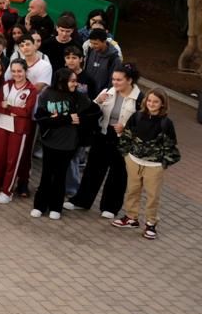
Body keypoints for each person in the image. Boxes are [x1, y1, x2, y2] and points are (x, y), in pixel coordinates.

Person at [70, 64, 141, 218]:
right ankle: (81, 201)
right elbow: (91, 112)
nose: (115, 83)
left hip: (124, 139)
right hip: (103, 134)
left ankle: (110, 207)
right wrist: (97, 101)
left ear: (129, 80)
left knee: (118, 173)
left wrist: (126, 129)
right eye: (113, 79)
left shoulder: (139, 99)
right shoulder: (108, 92)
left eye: (119, 80)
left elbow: (142, 124)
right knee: (93, 169)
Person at [112, 90, 179, 240]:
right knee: (132, 191)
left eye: (156, 102)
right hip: (133, 161)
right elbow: (127, 135)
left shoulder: (166, 123)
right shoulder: (137, 116)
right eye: (149, 101)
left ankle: (151, 223)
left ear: (162, 104)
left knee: (152, 195)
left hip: (154, 166)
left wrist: (163, 164)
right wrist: (126, 155)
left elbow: (170, 146)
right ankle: (131, 218)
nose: (152, 104)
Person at [30, 67, 92, 220]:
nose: (75, 84)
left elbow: (92, 113)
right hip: (49, 141)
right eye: (72, 81)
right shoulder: (47, 94)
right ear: (61, 81)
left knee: (60, 175)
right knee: (46, 174)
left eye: (75, 81)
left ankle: (56, 206)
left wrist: (78, 120)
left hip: (68, 144)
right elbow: (42, 118)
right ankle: (39, 205)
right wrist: (66, 119)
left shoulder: (79, 97)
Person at [0, 60, 39, 204]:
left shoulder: (31, 89)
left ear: (26, 72)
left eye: (19, 71)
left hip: (19, 129)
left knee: (12, 161)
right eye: (14, 71)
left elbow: (26, 111)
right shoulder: (6, 85)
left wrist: (8, 106)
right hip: (2, 125)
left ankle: (6, 191)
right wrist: (13, 110)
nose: (17, 74)